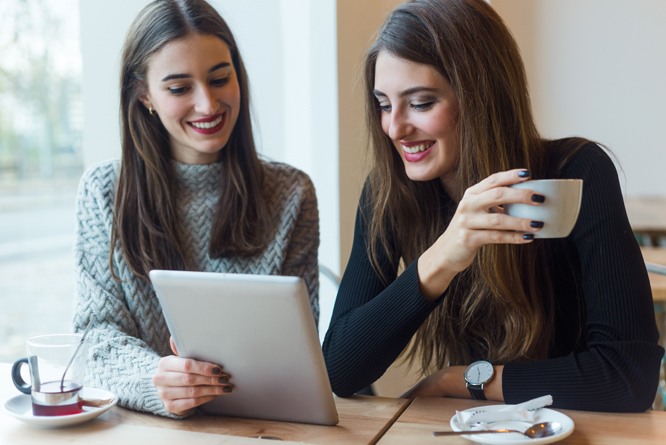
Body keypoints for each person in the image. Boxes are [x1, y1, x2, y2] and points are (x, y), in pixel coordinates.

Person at [323, 0, 663, 412]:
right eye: (383, 104)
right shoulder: (389, 193)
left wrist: (462, 379)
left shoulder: (577, 173)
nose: (395, 127)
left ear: (481, 95)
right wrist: (443, 256)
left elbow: (628, 376)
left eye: (421, 103)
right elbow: (340, 370)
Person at [72, 0, 319, 418]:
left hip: (263, 425)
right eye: (179, 88)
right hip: (143, 427)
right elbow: (94, 342)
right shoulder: (102, 192)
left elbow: (299, 348)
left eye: (220, 78)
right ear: (144, 95)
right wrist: (157, 380)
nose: (207, 104)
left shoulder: (291, 192)